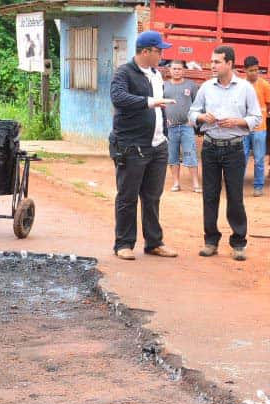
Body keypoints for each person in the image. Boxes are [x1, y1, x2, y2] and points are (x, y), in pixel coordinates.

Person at [108, 30, 179, 260]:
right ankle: (123, 244)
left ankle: (154, 242)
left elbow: (160, 107)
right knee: (127, 197)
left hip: (157, 146)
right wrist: (149, 102)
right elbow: (118, 98)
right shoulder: (124, 73)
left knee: (152, 197)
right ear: (146, 51)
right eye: (159, 51)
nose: (162, 56)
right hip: (132, 146)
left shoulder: (156, 74)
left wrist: (164, 133)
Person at [189, 46, 261, 261]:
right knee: (210, 195)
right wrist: (202, 117)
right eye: (212, 61)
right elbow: (192, 112)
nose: (213, 65)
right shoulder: (206, 87)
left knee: (235, 196)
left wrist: (237, 122)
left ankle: (238, 243)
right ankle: (211, 241)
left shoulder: (245, 88)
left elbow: (256, 117)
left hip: (234, 148)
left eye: (217, 62)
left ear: (230, 63)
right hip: (210, 147)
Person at [163, 60, 201, 193]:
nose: (176, 71)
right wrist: (164, 120)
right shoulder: (164, 85)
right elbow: (160, 105)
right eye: (174, 69)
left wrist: (193, 120)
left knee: (190, 154)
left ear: (183, 70)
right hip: (170, 128)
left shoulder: (191, 85)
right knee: (172, 155)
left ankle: (196, 184)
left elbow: (197, 104)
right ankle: (176, 183)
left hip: (187, 127)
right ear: (170, 70)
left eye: (179, 69)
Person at [241, 55, 270, 197]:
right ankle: (237, 186)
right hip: (243, 128)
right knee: (241, 158)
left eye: (256, 70)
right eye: (251, 70)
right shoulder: (240, 86)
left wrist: (260, 116)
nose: (254, 73)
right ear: (245, 70)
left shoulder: (265, 85)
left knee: (259, 159)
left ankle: (258, 187)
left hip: (260, 129)